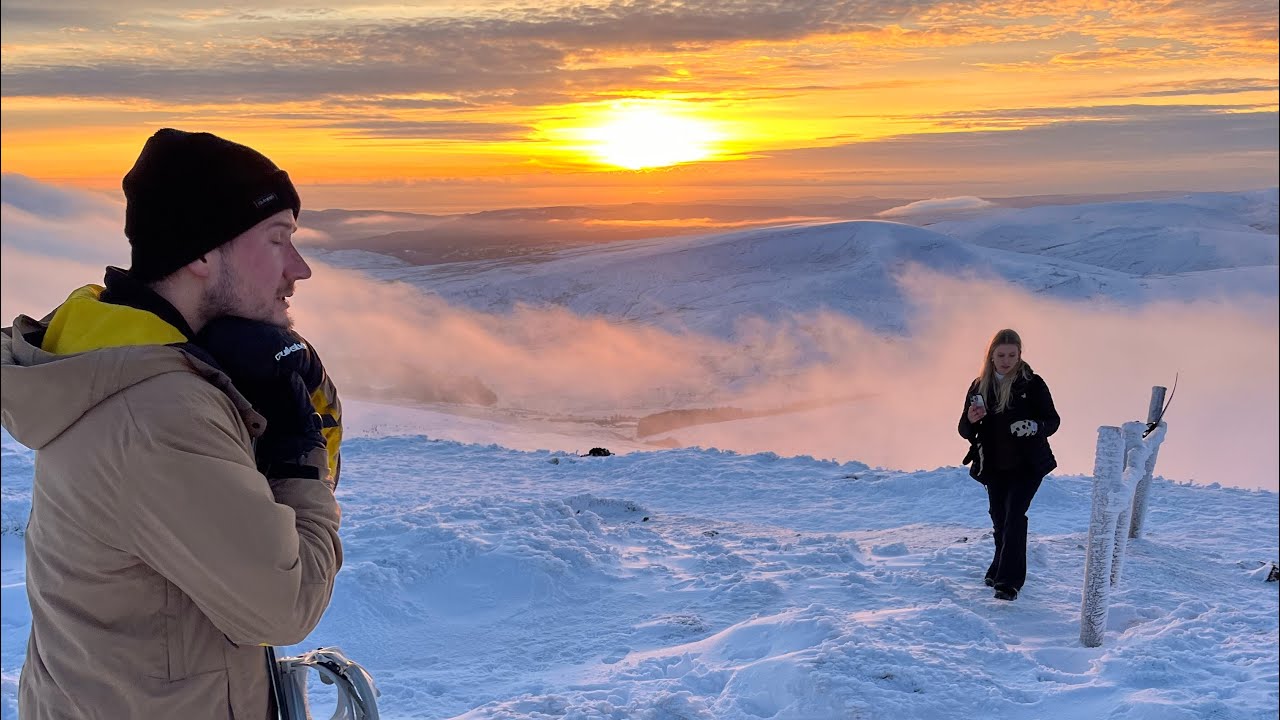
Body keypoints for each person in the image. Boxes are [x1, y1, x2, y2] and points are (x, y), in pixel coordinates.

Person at [0, 128, 343, 718]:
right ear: (202, 253)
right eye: (278, 239)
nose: (300, 268)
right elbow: (284, 605)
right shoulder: (159, 414)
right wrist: (294, 453)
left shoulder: (124, 366)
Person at [957, 328, 1059, 601]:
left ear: (1019, 355)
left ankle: (1009, 582)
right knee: (1000, 519)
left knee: (1014, 517)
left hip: (1028, 465)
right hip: (993, 465)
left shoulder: (1033, 384)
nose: (1006, 360)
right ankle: (999, 566)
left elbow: (1052, 421)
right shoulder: (979, 386)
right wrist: (971, 418)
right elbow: (964, 430)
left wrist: (1033, 426)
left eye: (1011, 355)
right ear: (991, 356)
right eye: (1001, 355)